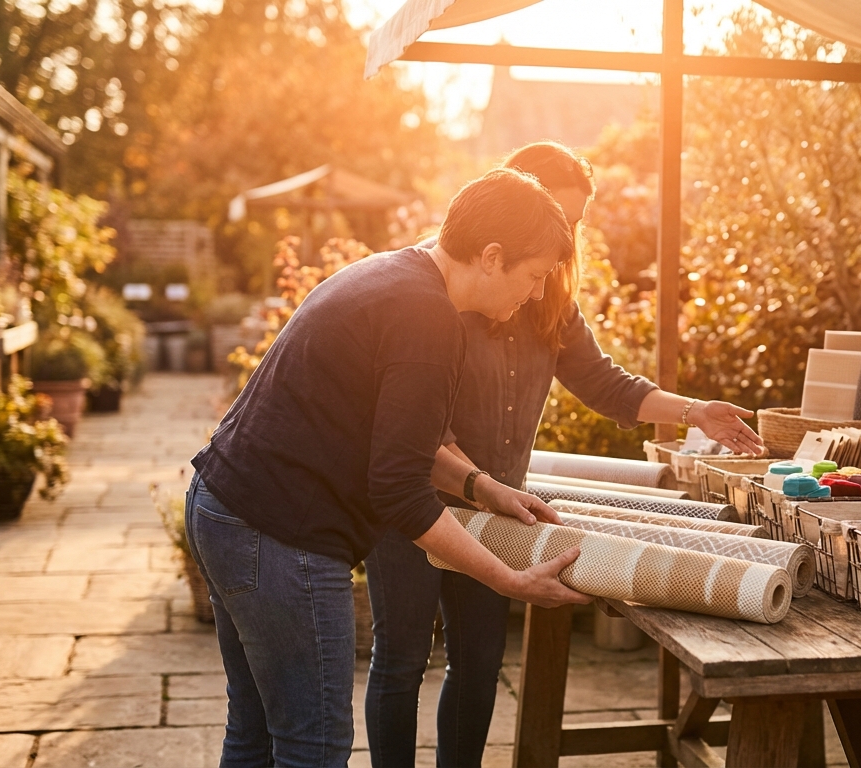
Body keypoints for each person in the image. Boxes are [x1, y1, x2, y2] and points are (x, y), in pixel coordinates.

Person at [364, 142, 765, 768]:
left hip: (498, 514)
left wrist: (695, 411)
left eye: (576, 223)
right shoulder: (445, 297)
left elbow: (607, 385)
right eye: (560, 218)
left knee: (478, 664)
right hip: (413, 502)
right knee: (402, 659)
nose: (569, 239)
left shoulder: (549, 305)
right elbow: (421, 431)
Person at [185, 168, 593, 768]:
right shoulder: (428, 321)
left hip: (223, 508)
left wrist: (481, 488)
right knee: (313, 747)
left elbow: (400, 442)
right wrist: (507, 581)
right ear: (491, 256)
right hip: (278, 536)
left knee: (255, 738)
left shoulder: (397, 276)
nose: (536, 295)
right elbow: (401, 492)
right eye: (533, 277)